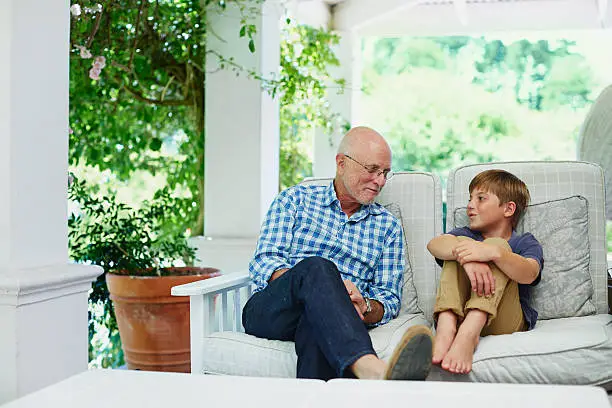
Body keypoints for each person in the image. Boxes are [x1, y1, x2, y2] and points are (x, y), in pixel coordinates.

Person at [242, 126, 433, 381]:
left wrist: (361, 305)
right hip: (273, 309)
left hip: (335, 319)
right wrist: (325, 287)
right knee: (318, 268)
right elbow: (265, 262)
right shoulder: (294, 200)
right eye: (372, 170)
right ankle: (368, 366)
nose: (380, 181)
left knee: (318, 322)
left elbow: (387, 299)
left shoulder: (387, 227)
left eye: (385, 173)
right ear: (341, 163)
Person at [427, 169, 543, 374]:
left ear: (508, 209)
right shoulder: (465, 234)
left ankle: (469, 333)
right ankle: (446, 328)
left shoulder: (524, 242)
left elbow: (530, 273)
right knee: (459, 244)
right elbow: (434, 245)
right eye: (470, 198)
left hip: (506, 322)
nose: (470, 205)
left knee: (497, 245)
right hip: (460, 314)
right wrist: (468, 256)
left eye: (481, 199)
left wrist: (494, 253)